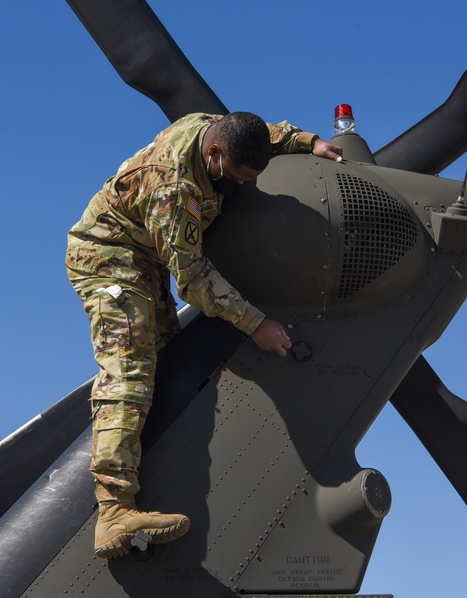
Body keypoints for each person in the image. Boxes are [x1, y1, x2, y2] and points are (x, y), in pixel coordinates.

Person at [65, 112, 343, 558]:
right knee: (131, 370)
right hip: (108, 257)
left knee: (168, 364)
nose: (240, 187)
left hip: (143, 257)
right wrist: (256, 324)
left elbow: (257, 132)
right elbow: (192, 280)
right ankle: (113, 511)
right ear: (213, 154)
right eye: (234, 178)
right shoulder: (174, 189)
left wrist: (305, 141)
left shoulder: (214, 129)